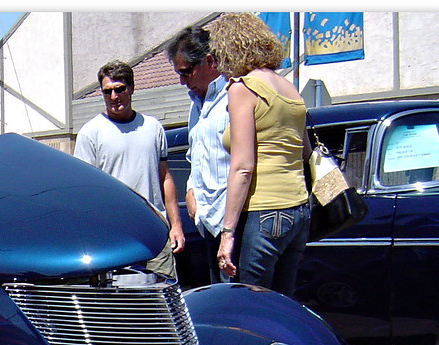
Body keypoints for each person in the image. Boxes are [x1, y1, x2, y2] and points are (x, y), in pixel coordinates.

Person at [210, 12, 311, 295]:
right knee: (282, 304)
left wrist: (227, 234)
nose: (219, 65)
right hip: (298, 209)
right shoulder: (289, 89)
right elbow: (304, 151)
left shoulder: (244, 89)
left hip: (264, 211)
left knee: (250, 304)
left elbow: (243, 167)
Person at [73, 60, 184, 278]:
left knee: (162, 301)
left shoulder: (152, 127)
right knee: (121, 306)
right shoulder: (90, 133)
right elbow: (83, 193)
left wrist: (175, 225)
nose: (114, 97)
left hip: (155, 232)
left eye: (120, 89)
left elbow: (165, 179)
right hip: (113, 237)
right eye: (107, 91)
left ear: (131, 88)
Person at [168, 25, 230, 284]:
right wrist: (191, 190)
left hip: (232, 222)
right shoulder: (196, 106)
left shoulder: (233, 97)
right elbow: (195, 157)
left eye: (186, 72)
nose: (183, 81)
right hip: (207, 223)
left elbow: (243, 164)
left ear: (208, 62)